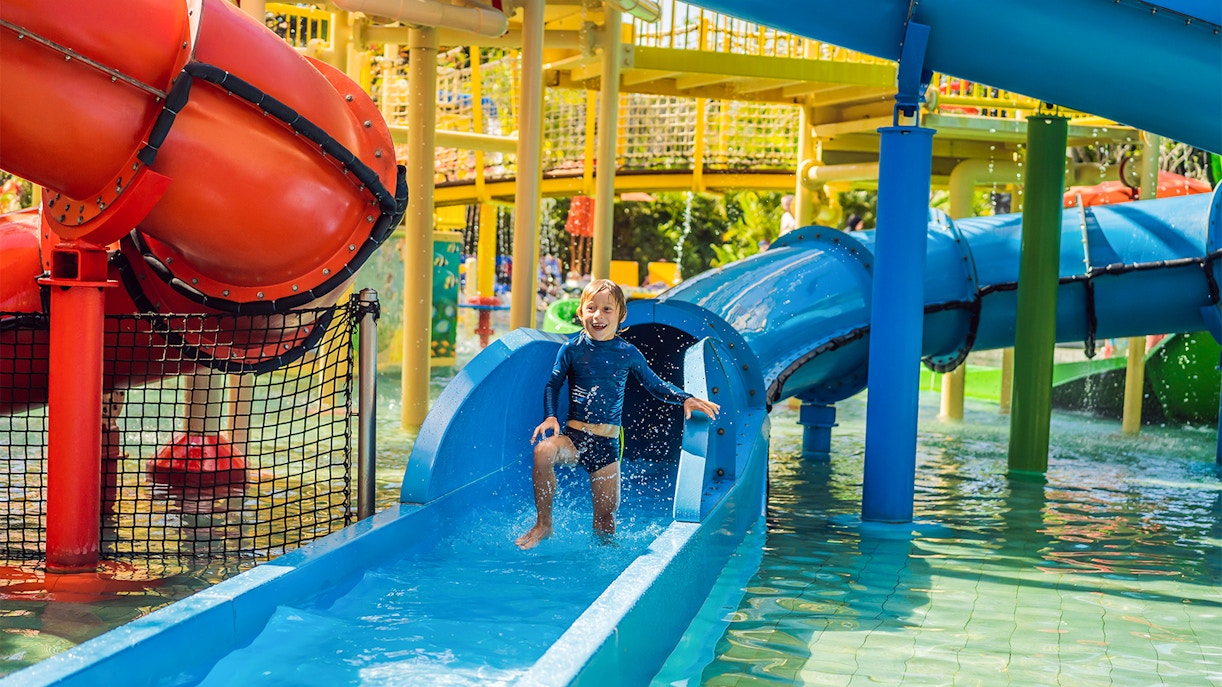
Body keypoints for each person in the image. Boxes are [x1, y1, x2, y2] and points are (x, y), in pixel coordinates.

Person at [516, 279, 720, 549]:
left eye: (606, 309)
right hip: (574, 438)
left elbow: (655, 385)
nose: (597, 316)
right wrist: (551, 417)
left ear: (621, 315)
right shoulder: (572, 349)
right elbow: (554, 383)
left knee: (605, 522)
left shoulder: (627, 354)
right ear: (580, 313)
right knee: (543, 451)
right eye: (591, 308)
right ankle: (544, 523)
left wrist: (686, 398)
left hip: (607, 446)